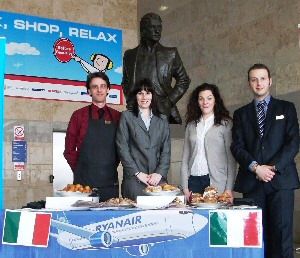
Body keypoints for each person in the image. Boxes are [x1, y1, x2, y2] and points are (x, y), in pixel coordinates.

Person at [230, 63, 300, 258]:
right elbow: (237, 146)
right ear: (249, 83)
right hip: (253, 183)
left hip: (281, 181)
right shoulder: (241, 114)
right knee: (255, 238)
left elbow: (293, 142)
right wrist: (255, 168)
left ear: (270, 81)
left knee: (282, 237)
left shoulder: (286, 108)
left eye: (262, 78)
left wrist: (272, 167)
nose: (258, 83)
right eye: (254, 79)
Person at [122, 12, 190, 124]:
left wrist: (169, 102)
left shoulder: (170, 54)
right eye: (153, 27)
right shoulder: (130, 55)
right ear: (143, 30)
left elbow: (184, 80)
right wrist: (130, 99)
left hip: (161, 111)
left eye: (159, 27)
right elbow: (125, 81)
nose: (157, 31)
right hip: (136, 111)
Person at [64, 72, 120, 202]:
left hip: (110, 184)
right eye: (95, 87)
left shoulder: (118, 117)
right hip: (83, 185)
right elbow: (69, 150)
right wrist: (80, 169)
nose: (99, 90)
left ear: (108, 89)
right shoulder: (78, 116)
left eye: (103, 86)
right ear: (89, 91)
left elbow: (121, 148)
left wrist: (109, 165)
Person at [180, 83, 237, 203]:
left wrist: (229, 188)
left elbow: (231, 160)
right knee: (195, 219)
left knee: (215, 220)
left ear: (215, 100)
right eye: (201, 99)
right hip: (193, 180)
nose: (205, 102)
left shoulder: (225, 124)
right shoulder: (191, 125)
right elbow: (185, 159)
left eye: (209, 98)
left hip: (216, 181)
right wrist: (185, 186)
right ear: (197, 102)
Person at [116, 78, 171, 201]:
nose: (144, 97)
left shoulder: (162, 119)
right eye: (140, 93)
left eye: (148, 93)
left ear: (153, 95)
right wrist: (137, 173)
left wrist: (159, 173)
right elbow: (122, 147)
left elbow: (166, 149)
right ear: (135, 96)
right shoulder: (127, 116)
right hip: (135, 179)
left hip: (157, 179)